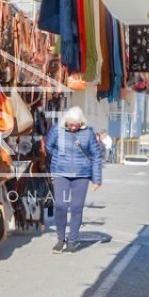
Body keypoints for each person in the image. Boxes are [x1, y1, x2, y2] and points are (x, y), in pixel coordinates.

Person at [45, 106, 103, 252]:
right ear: (66, 122)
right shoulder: (57, 130)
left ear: (81, 123)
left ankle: (72, 240)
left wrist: (96, 180)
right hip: (61, 174)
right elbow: (48, 147)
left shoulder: (88, 132)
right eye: (71, 124)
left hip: (81, 175)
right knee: (61, 206)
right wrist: (59, 159)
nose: (73, 127)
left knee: (77, 208)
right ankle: (60, 239)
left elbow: (96, 155)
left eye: (76, 125)